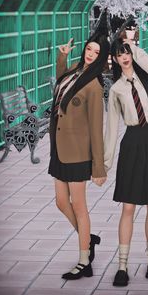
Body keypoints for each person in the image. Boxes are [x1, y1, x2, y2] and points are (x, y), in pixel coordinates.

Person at [104, 38, 148, 287]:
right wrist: (105, 164)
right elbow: (111, 128)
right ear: (114, 59)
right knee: (128, 207)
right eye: (119, 53)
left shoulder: (147, 78)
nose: (125, 57)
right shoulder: (117, 90)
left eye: (127, 52)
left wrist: (136, 49)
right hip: (132, 142)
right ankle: (122, 266)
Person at [48, 33, 109, 280]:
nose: (90, 54)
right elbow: (61, 81)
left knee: (79, 206)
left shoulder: (94, 85)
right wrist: (62, 56)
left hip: (78, 153)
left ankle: (84, 261)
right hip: (59, 148)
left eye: (96, 52)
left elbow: (96, 128)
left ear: (101, 57)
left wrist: (99, 167)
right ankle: (89, 239)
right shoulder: (75, 68)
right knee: (61, 202)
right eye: (89, 49)